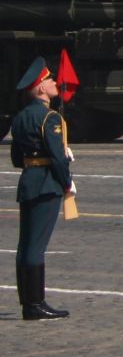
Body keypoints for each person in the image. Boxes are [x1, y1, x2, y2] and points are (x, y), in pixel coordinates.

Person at [9, 57, 74, 321]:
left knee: (25, 245)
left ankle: (27, 301)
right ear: (40, 89)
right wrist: (66, 181)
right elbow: (58, 157)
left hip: (28, 180)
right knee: (36, 246)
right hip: (47, 183)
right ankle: (35, 305)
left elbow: (15, 157)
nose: (53, 83)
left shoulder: (21, 117)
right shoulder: (49, 117)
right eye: (49, 81)